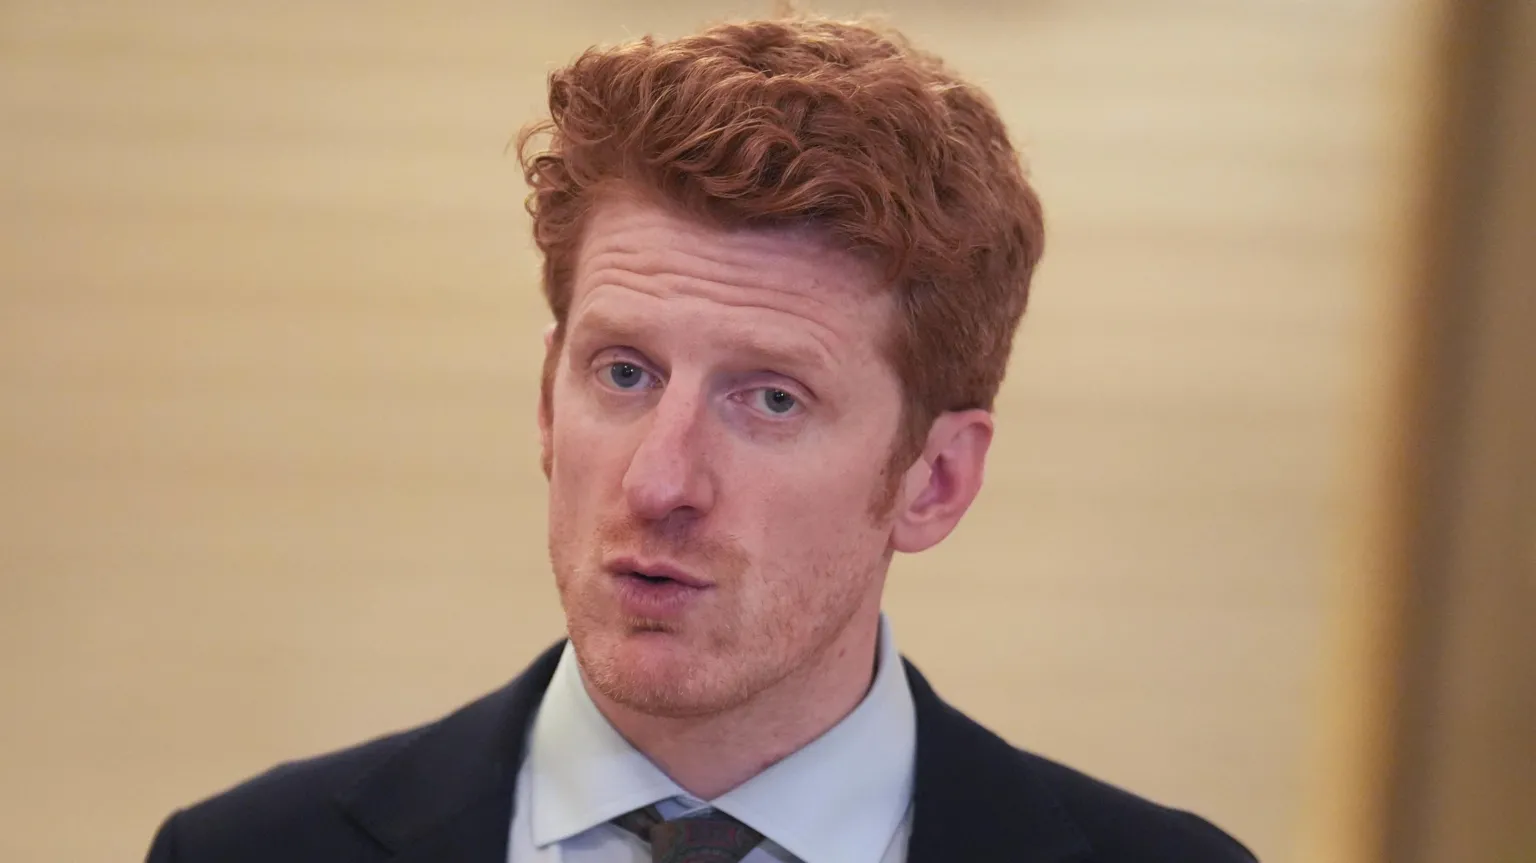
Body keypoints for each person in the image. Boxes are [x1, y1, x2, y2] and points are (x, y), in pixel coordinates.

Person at [144, 15, 1257, 863]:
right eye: (623, 373)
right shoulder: (245, 849)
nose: (660, 478)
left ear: (936, 478)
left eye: (769, 399)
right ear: (545, 400)